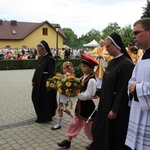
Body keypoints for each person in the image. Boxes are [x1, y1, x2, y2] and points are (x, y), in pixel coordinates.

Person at [92, 32, 134, 150]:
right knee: (99, 130)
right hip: (106, 103)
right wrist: (98, 92)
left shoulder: (126, 64)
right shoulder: (112, 62)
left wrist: (115, 109)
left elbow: (122, 89)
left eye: (108, 46)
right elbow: (108, 83)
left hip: (115, 107)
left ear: (117, 46)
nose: (106, 48)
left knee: (113, 134)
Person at [57, 54, 98, 149]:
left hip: (88, 107)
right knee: (74, 123)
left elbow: (89, 95)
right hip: (80, 106)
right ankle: (68, 141)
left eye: (85, 67)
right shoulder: (83, 77)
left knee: (89, 127)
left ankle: (95, 141)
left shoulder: (91, 80)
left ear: (91, 68)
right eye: (82, 66)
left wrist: (76, 94)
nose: (82, 68)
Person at [125, 18, 150, 150]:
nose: (133, 36)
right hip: (137, 111)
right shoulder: (141, 57)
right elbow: (132, 79)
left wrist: (138, 88)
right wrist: (132, 86)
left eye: (137, 33)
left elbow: (136, 85)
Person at [32, 40, 57, 123]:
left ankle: (44, 117)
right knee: (35, 97)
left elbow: (51, 73)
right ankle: (39, 114)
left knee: (44, 100)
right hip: (38, 82)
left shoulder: (50, 59)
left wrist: (49, 84)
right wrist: (33, 80)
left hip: (45, 84)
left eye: (40, 51)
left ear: (44, 49)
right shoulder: (40, 58)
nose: (38, 52)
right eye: (37, 50)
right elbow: (37, 70)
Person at [51, 61, 75, 130]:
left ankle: (58, 124)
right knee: (62, 109)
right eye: (63, 69)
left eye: (65, 68)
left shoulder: (71, 77)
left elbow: (71, 87)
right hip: (61, 94)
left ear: (69, 69)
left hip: (66, 95)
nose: (63, 70)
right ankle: (73, 118)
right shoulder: (63, 76)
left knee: (61, 109)